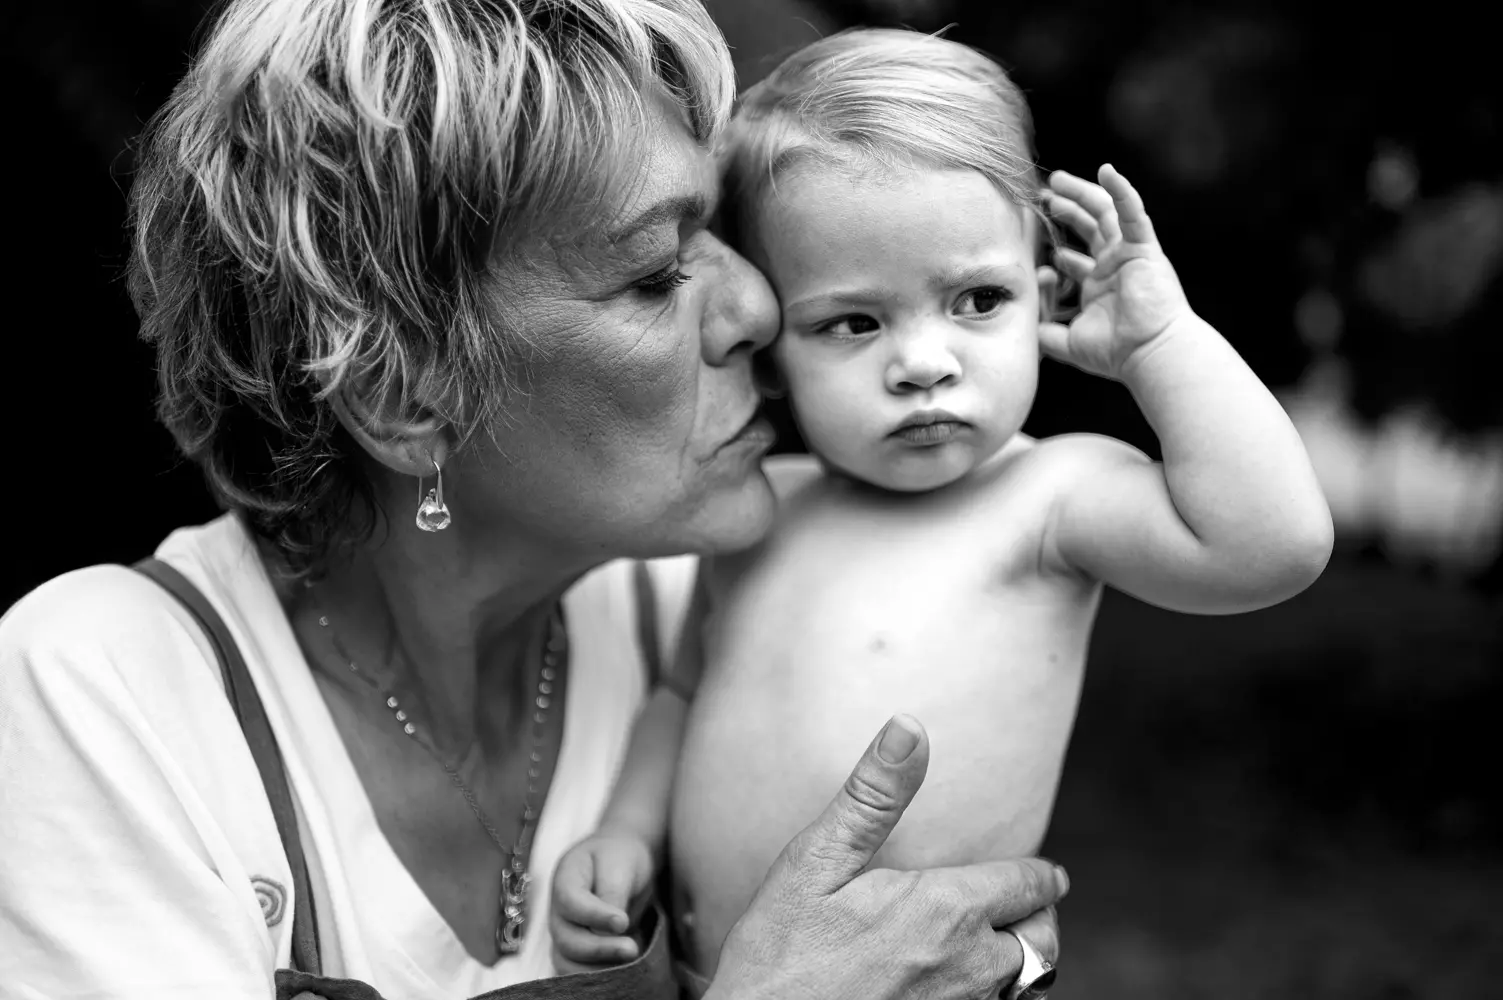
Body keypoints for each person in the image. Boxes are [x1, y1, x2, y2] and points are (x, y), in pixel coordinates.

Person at [0, 4, 1070, 1000]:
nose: (755, 305)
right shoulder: (109, 689)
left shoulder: (714, 618)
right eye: (656, 272)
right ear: (404, 396)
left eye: (721, 233)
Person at [549, 26, 1334, 981]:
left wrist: (1158, 342)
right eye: (852, 322)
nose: (924, 363)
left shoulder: (1048, 498)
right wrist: (628, 832)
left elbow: (1273, 545)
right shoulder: (760, 513)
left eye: (975, 300)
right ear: (776, 350)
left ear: (1042, 292)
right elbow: (681, 692)